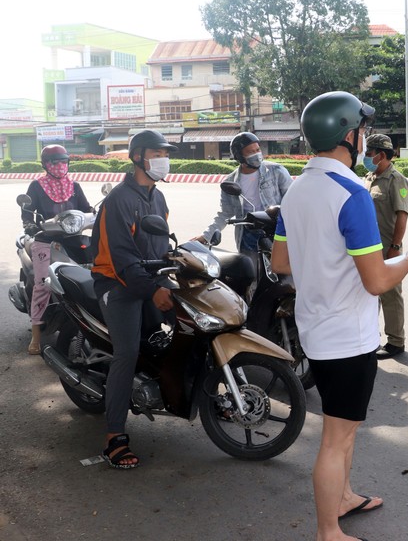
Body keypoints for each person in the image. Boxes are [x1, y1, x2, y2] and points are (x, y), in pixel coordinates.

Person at [270, 91, 408, 541]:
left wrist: (321, 267)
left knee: (346, 429)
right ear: (350, 134)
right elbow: (377, 279)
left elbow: (281, 263)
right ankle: (327, 531)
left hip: (317, 330)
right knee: (337, 438)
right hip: (348, 337)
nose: (364, 141)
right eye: (361, 131)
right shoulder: (352, 192)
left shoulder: (297, 189)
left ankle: (343, 497)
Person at [90, 130, 177, 470]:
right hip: (117, 284)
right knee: (127, 353)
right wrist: (153, 289)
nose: (163, 159)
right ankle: (114, 436)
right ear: (139, 157)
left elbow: (160, 244)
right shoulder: (118, 201)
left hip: (148, 279)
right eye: (158, 153)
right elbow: (123, 259)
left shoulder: (157, 197)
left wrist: (177, 265)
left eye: (165, 153)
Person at [21, 144, 92, 355]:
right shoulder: (36, 186)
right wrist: (30, 225)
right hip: (45, 240)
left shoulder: (74, 185)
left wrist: (94, 216)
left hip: (74, 238)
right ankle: (36, 336)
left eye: (63, 161)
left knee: (93, 273)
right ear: (46, 164)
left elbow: (87, 208)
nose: (60, 166)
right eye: (55, 162)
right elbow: (27, 213)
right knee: (42, 284)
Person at [197, 132, 292, 274]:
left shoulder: (276, 171)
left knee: (283, 274)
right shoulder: (230, 182)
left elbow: (292, 201)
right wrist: (206, 236)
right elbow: (225, 214)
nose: (256, 154)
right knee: (251, 276)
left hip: (276, 230)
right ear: (240, 156)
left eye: (257, 150)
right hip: (248, 235)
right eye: (250, 152)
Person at [363, 134, 408, 360]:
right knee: (370, 294)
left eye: (369, 153)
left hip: (388, 247)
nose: (366, 157)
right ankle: (371, 337)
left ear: (381, 155)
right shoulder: (369, 177)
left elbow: (402, 217)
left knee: (391, 296)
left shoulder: (396, 180)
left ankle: (396, 342)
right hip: (369, 249)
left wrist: (395, 246)